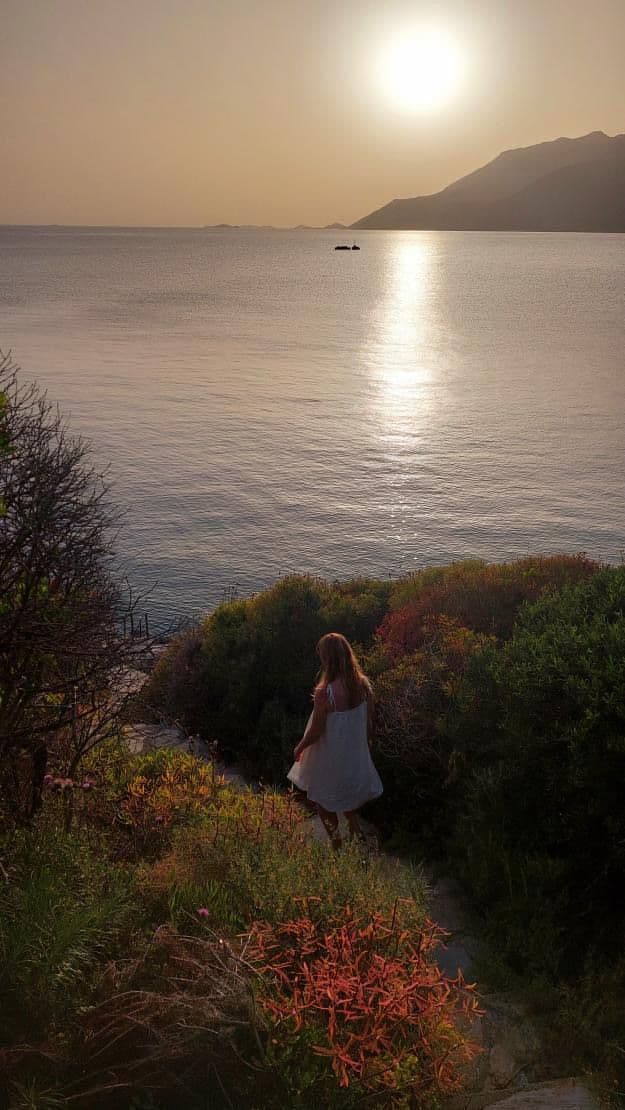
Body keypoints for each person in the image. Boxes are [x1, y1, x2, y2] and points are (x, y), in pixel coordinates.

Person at [287, 632, 383, 848]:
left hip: (329, 754)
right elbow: (369, 719)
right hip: (352, 751)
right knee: (347, 795)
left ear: (327, 658)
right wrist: (366, 744)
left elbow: (318, 729)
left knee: (323, 801)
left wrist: (300, 746)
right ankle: (357, 834)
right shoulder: (364, 685)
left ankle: (337, 844)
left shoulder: (326, 692)